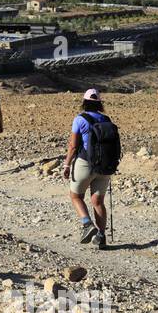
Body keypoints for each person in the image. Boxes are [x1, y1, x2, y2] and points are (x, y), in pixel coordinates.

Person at [62, 88, 119, 249]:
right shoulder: (106, 119)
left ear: (84, 102)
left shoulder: (80, 119)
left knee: (75, 196)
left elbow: (73, 146)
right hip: (105, 166)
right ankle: (101, 236)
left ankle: (87, 225)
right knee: (98, 201)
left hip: (85, 163)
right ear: (99, 103)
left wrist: (67, 164)